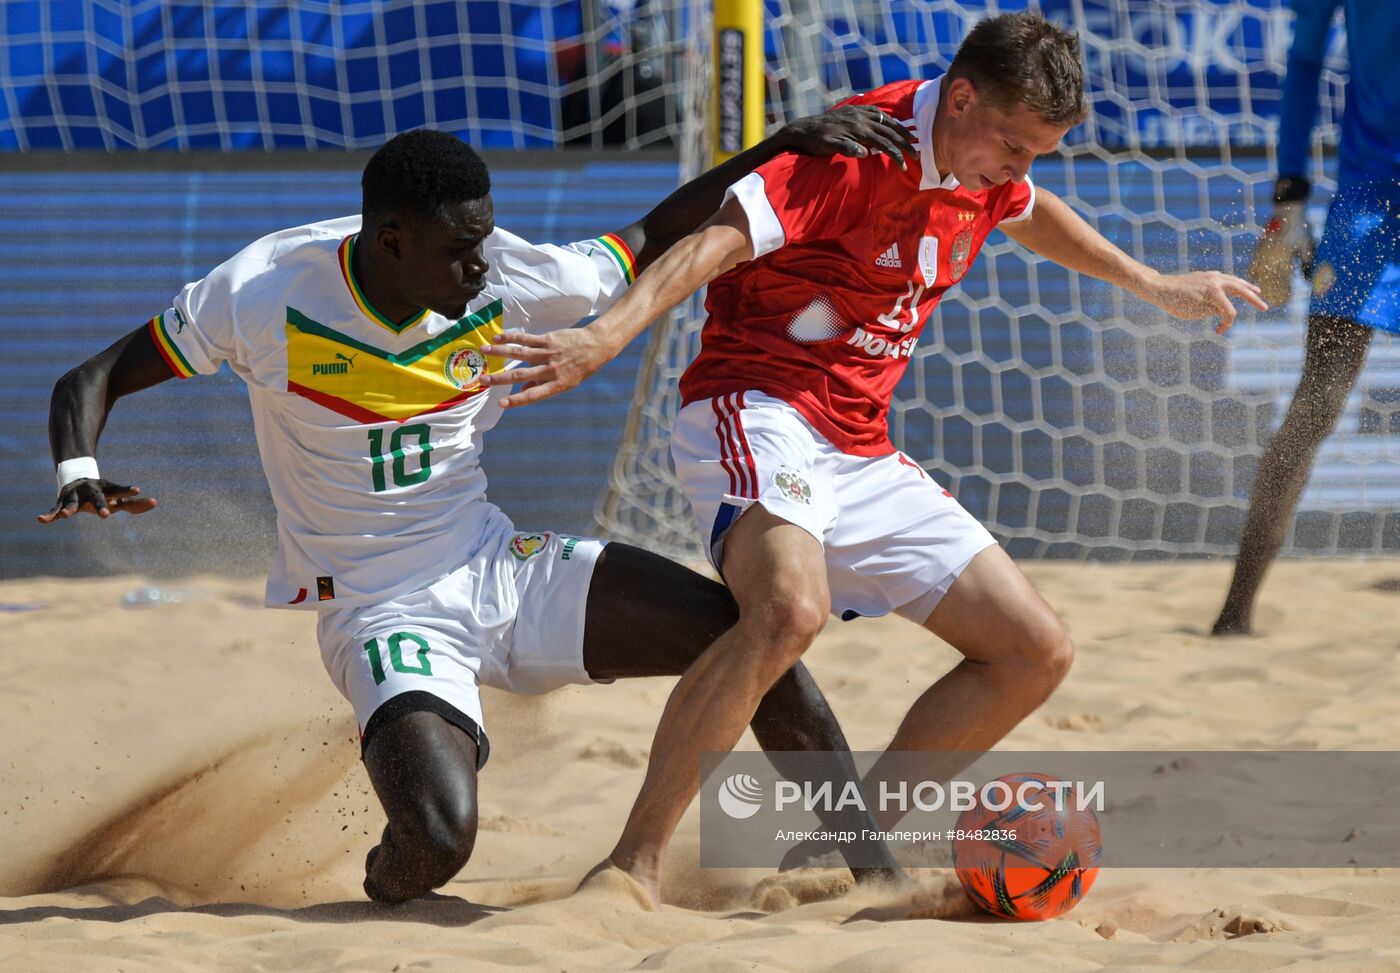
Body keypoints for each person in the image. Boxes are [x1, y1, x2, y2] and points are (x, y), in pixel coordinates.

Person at [482, 10, 1267, 905]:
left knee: (1035, 649)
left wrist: (1155, 284)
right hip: (757, 405)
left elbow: (1028, 209)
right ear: (960, 99)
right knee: (786, 610)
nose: (1020, 169)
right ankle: (631, 865)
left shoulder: (989, 163)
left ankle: (835, 850)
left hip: (858, 444)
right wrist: (604, 335)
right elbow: (714, 241)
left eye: (1037, 152)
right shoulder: (860, 150)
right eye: (1013, 145)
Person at [37, 112, 920, 904]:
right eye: (460, 249)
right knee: (438, 838)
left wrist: (782, 144)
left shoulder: (512, 277)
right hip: (381, 606)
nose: (482, 264)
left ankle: (876, 872)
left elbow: (652, 232)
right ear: (389, 240)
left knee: (754, 634)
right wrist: (79, 465)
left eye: (486, 240)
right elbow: (96, 374)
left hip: (496, 561)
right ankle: (389, 852)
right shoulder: (266, 291)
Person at [1211, 0, 1400, 636]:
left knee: (1311, 411)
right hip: (1369, 202)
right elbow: (1304, 60)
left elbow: (1306, 62)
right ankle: (1235, 613)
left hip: (1368, 201)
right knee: (1313, 408)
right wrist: (1288, 198)